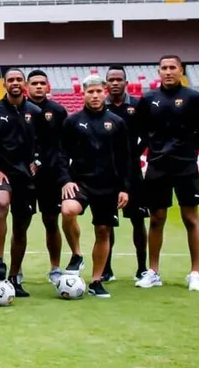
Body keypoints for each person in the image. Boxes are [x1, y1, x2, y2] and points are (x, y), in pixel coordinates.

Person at [135, 55, 199, 291]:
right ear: (158, 71)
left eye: (172, 68)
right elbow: (142, 131)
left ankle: (195, 273)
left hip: (185, 166)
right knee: (157, 219)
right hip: (157, 165)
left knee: (190, 218)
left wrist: (187, 152)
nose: (168, 72)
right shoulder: (148, 99)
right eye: (164, 68)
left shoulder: (194, 98)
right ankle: (153, 271)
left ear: (181, 71)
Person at [58, 75, 131, 298]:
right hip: (80, 182)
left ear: (105, 91)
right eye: (90, 92)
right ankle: (77, 254)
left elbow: (125, 158)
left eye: (99, 91)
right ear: (84, 94)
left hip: (108, 186)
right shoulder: (72, 121)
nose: (95, 96)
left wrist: (124, 188)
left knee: (103, 231)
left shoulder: (117, 122)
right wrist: (65, 180)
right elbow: (61, 154)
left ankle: (96, 280)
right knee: (68, 210)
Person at [0, 68, 44, 297]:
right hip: (2, 175)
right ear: (3, 84)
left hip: (26, 178)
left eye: (18, 79)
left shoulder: (35, 112)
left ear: (23, 83)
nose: (15, 83)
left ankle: (14, 277)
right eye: (10, 80)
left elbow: (45, 145)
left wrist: (38, 162)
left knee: (21, 229)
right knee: (2, 204)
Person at [105, 64, 149, 282]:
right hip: (108, 173)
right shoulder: (101, 107)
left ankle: (142, 268)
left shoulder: (138, 106)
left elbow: (146, 134)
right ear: (106, 84)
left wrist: (133, 154)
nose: (115, 83)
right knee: (107, 221)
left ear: (125, 83)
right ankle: (106, 269)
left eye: (118, 79)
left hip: (132, 173)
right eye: (111, 80)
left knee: (138, 220)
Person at [25, 70, 69, 284]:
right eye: (34, 83)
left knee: (51, 221)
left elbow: (62, 146)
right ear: (27, 86)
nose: (39, 87)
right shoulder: (19, 110)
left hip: (50, 177)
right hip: (24, 176)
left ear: (48, 86)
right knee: (20, 223)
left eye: (42, 83)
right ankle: (16, 270)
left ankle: (55, 268)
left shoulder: (58, 111)